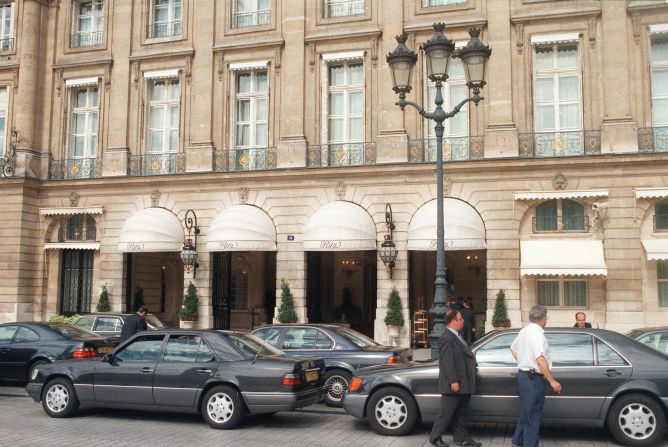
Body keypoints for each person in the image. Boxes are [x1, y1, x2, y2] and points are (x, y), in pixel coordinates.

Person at [510, 305, 562, 447]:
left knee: (527, 411)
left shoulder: (524, 331)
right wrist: (552, 380)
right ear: (543, 319)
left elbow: (513, 348)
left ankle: (518, 440)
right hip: (533, 379)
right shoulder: (537, 334)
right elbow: (540, 359)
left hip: (524, 376)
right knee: (533, 416)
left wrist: (524, 361)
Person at [429, 310, 481, 447]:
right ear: (453, 322)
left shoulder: (458, 335)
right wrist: (453, 381)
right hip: (453, 383)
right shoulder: (446, 338)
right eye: (460, 318)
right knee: (446, 413)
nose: (463, 320)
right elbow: (447, 362)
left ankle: (463, 439)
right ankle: (435, 438)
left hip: (463, 381)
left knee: (460, 413)